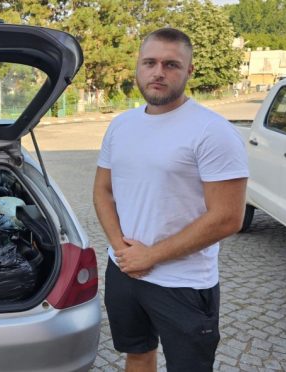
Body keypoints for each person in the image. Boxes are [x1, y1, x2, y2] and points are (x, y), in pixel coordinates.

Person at [93, 28, 249, 372]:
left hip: (184, 282)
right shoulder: (120, 126)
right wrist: (124, 251)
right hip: (124, 271)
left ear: (189, 71)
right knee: (137, 354)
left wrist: (150, 255)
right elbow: (103, 191)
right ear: (138, 66)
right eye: (149, 62)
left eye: (171, 64)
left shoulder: (212, 131)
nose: (158, 72)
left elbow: (228, 217)